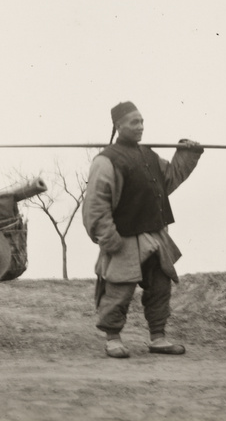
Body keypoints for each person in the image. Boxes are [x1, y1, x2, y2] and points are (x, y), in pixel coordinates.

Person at [82, 101, 203, 358]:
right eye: (134, 122)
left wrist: (188, 152)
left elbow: (168, 180)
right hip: (123, 239)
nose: (140, 127)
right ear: (118, 126)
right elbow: (95, 205)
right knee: (118, 291)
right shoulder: (105, 161)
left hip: (155, 236)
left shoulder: (149, 156)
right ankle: (113, 339)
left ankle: (158, 338)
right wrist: (108, 238)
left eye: (142, 122)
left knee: (160, 287)